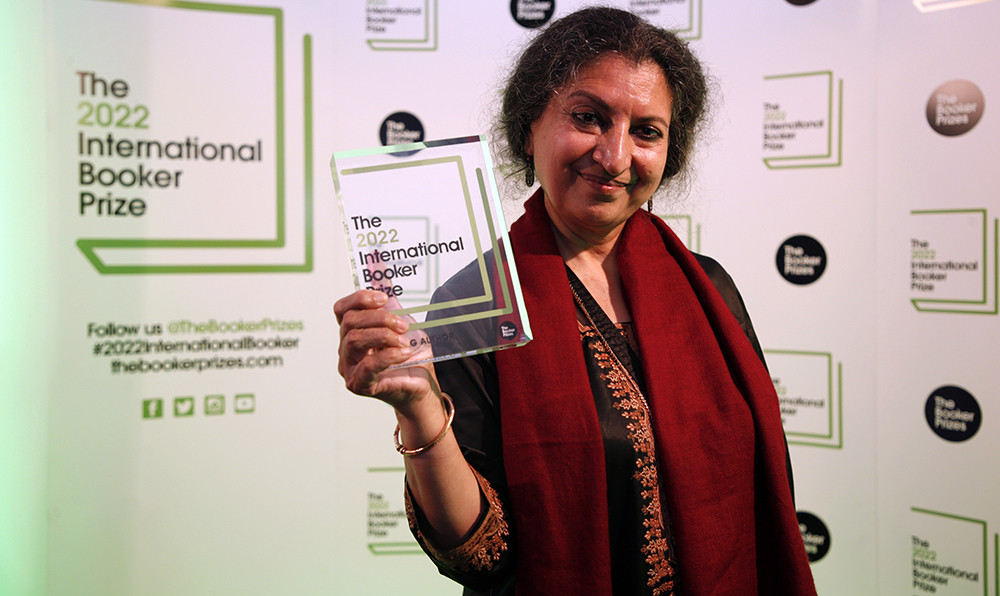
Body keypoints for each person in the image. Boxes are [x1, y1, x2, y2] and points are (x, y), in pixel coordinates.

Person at [335, 7, 817, 596]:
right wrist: (418, 408)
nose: (614, 157)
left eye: (647, 131)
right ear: (530, 125)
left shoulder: (709, 289)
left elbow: (764, 496)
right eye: (588, 118)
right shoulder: (476, 302)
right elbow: (481, 555)